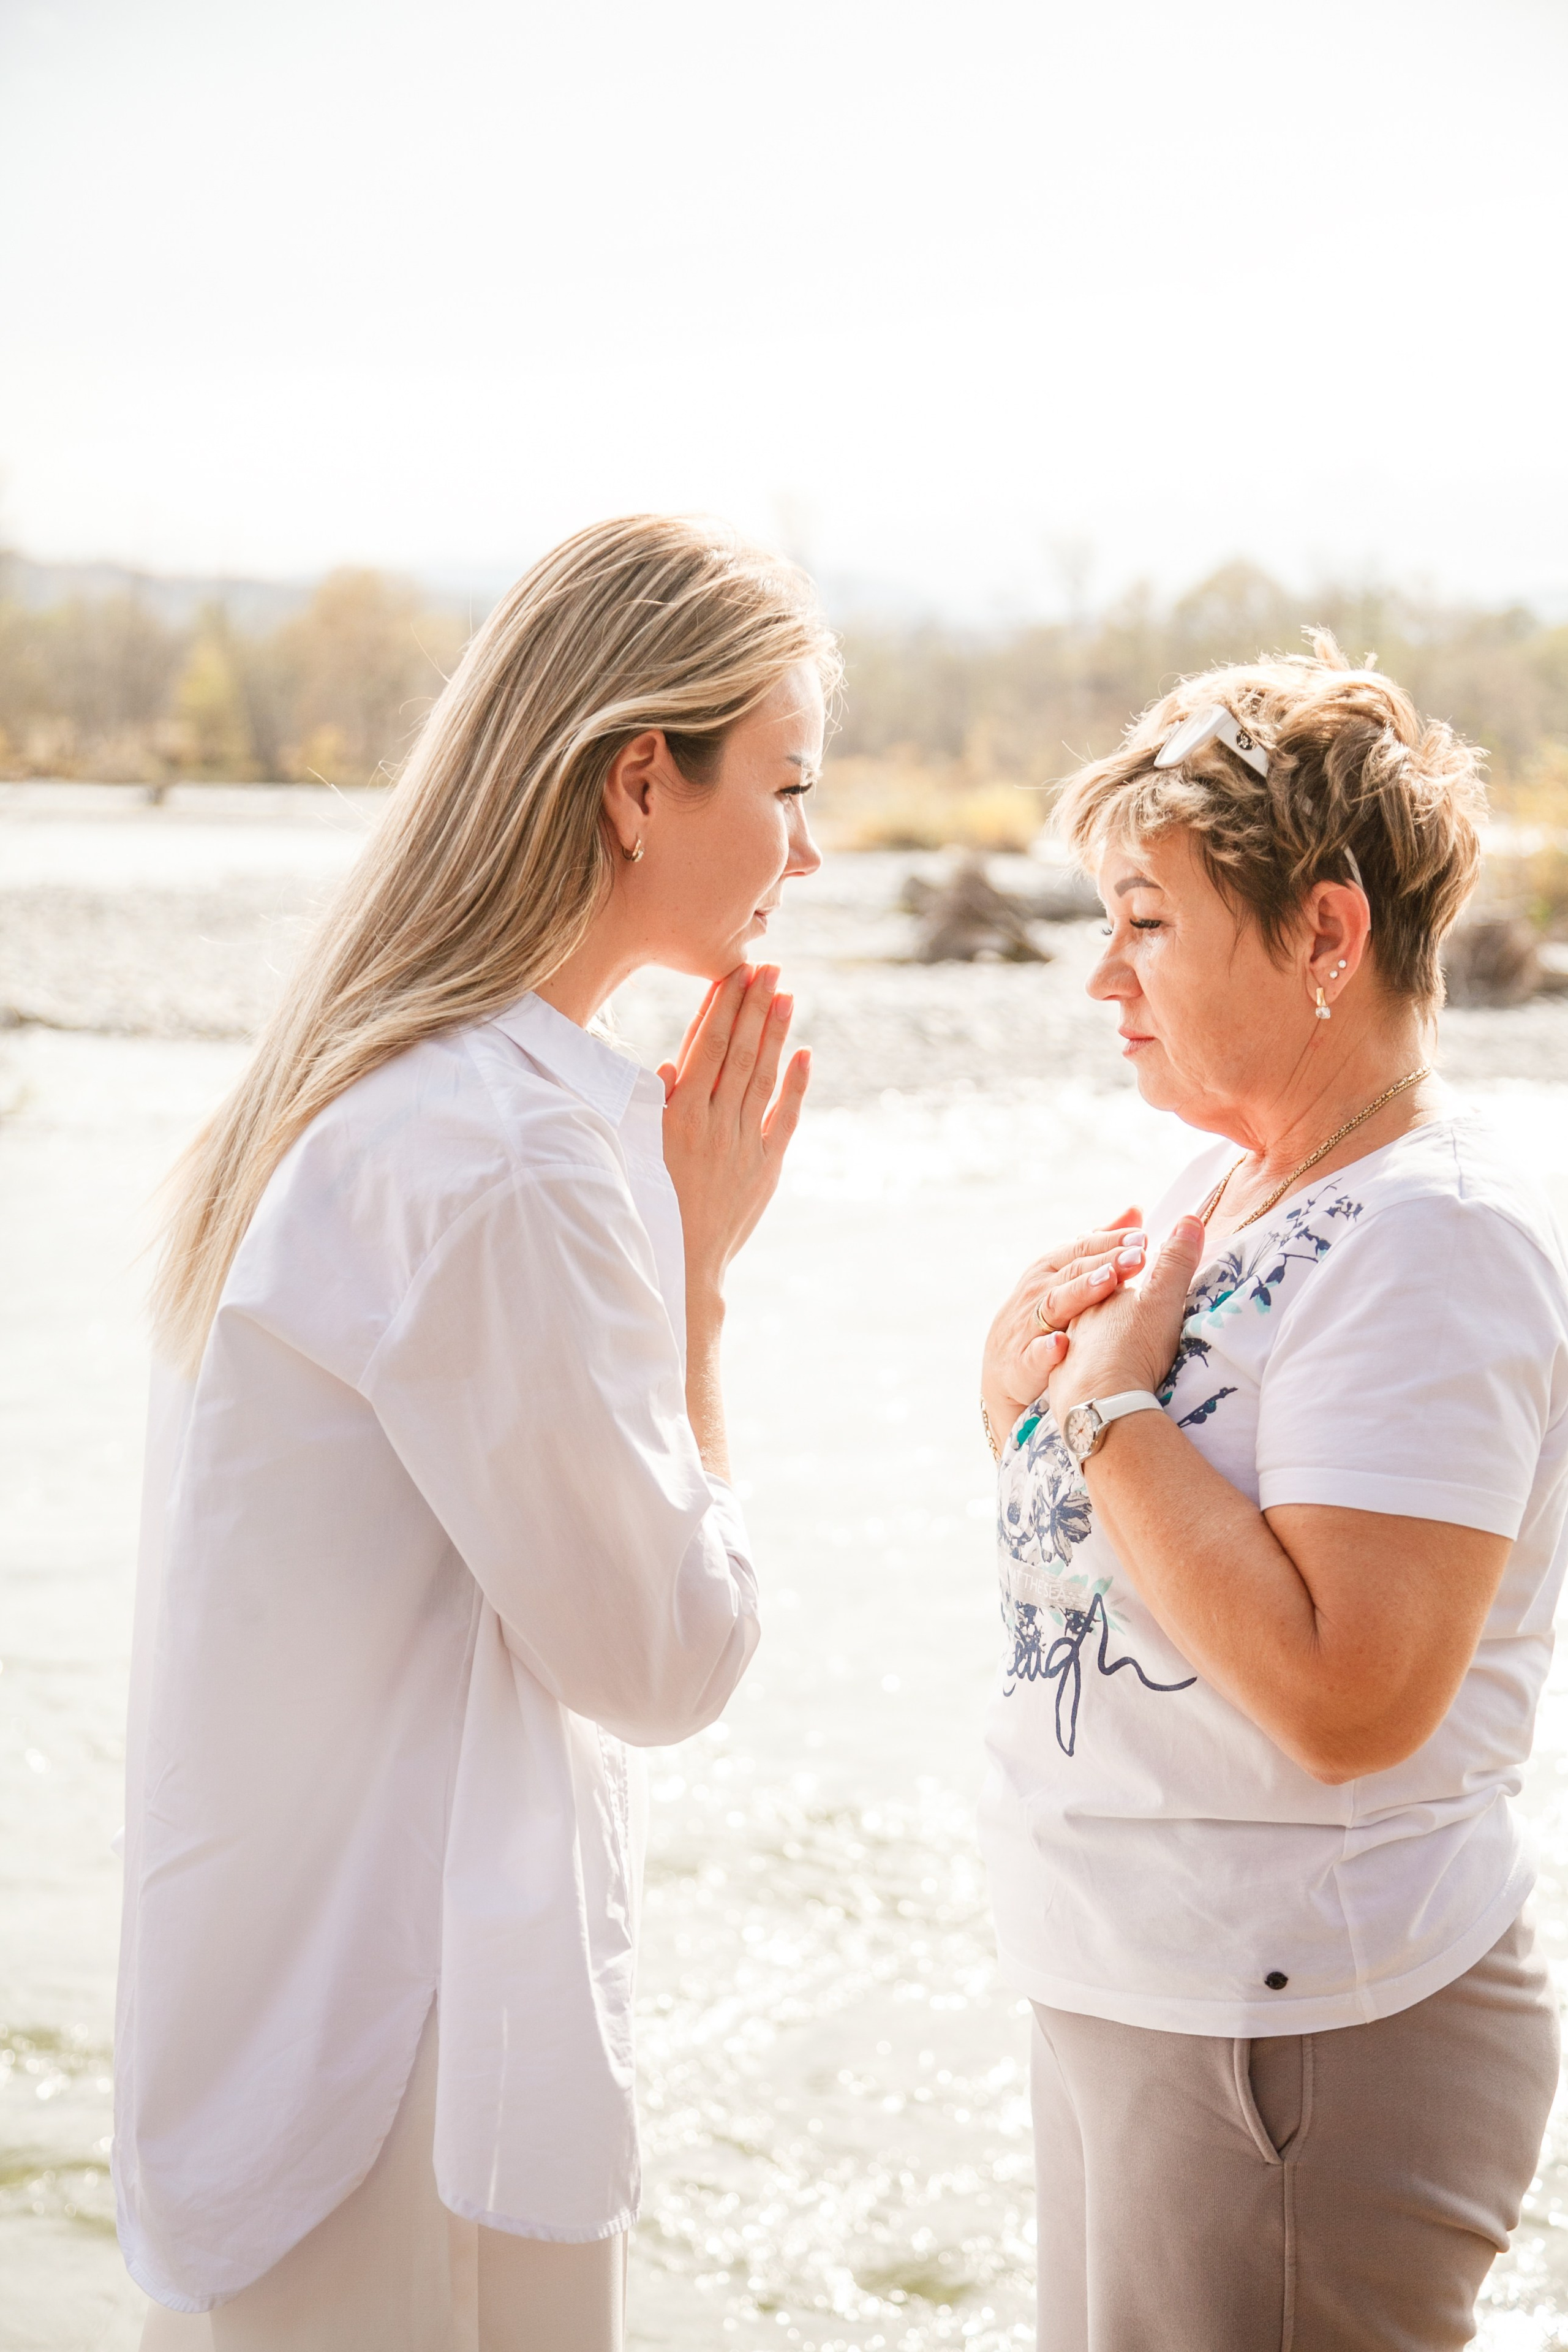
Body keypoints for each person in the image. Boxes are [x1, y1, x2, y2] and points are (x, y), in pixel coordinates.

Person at [117, 515, 837, 2350]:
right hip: (406, 2084)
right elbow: (664, 1659)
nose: (809, 853)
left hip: (288, 2048)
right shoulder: (505, 1152)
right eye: (783, 783)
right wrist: (702, 1275)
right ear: (634, 786)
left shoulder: (370, 1085)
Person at [979, 641, 1567, 2351]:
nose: (1103, 977)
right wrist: (1021, 1404)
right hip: (1142, 1990)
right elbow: (1133, 1553)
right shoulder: (1223, 1185)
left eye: (1149, 922)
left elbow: (1344, 1696)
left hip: (1294, 2034)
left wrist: (1104, 1420)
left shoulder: (1433, 1242)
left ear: (1327, 935)